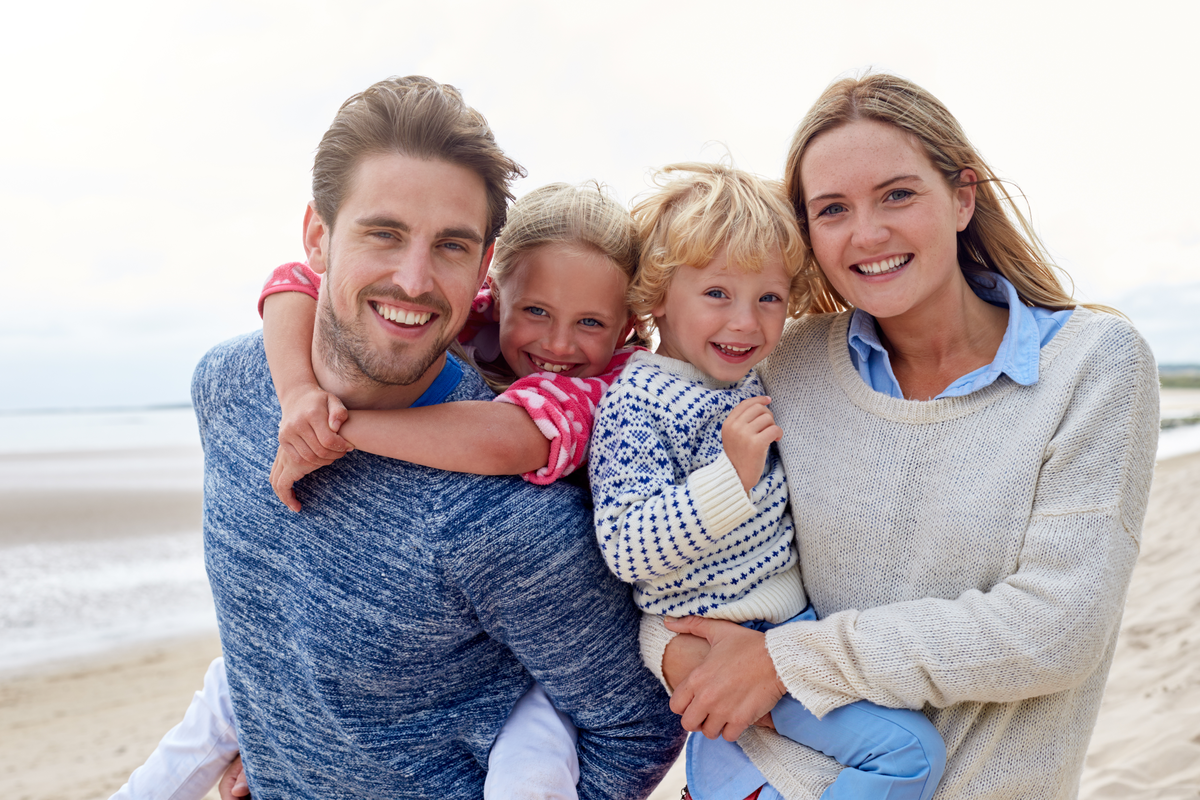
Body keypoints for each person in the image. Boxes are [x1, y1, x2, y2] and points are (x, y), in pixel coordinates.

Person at [645, 74, 1160, 799]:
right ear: (809, 237)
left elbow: (1057, 628)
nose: (867, 233)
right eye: (832, 209)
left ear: (962, 197)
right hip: (754, 780)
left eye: (897, 194)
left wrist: (786, 662)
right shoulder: (784, 363)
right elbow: (655, 525)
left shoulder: (1094, 364)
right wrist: (680, 655)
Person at [189, 75, 683, 800]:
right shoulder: (227, 389)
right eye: (383, 233)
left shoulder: (512, 519)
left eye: (450, 246)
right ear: (318, 236)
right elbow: (276, 643)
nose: (413, 279)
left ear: (480, 266)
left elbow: (636, 727)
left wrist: (339, 428)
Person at [589, 164, 944, 800]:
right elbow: (624, 545)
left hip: (786, 633)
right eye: (717, 294)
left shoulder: (745, 376)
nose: (746, 324)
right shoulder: (636, 403)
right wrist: (730, 478)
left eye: (769, 299)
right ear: (658, 295)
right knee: (908, 754)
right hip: (712, 637)